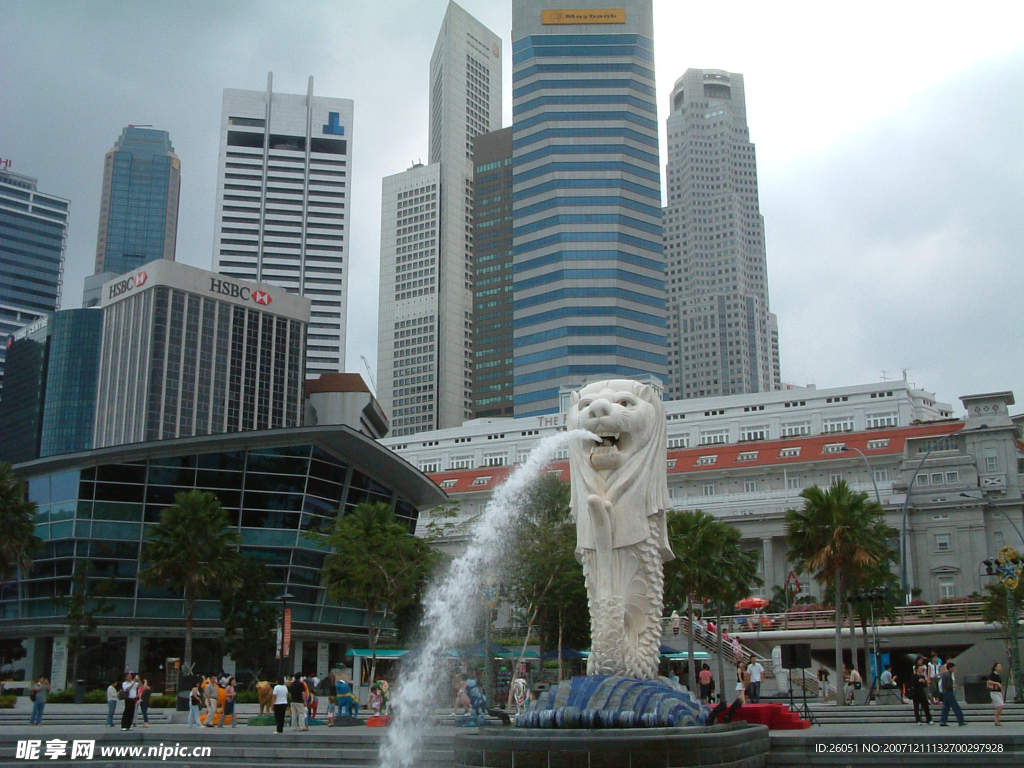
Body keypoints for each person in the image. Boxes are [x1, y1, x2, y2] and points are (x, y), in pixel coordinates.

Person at [938, 661, 966, 726]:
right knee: (955, 706)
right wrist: (952, 686)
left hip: (945, 692)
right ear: (950, 668)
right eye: (953, 667)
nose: (954, 669)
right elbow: (947, 685)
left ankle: (943, 721)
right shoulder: (948, 675)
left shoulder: (945, 675)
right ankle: (961, 720)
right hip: (949, 692)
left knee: (946, 707)